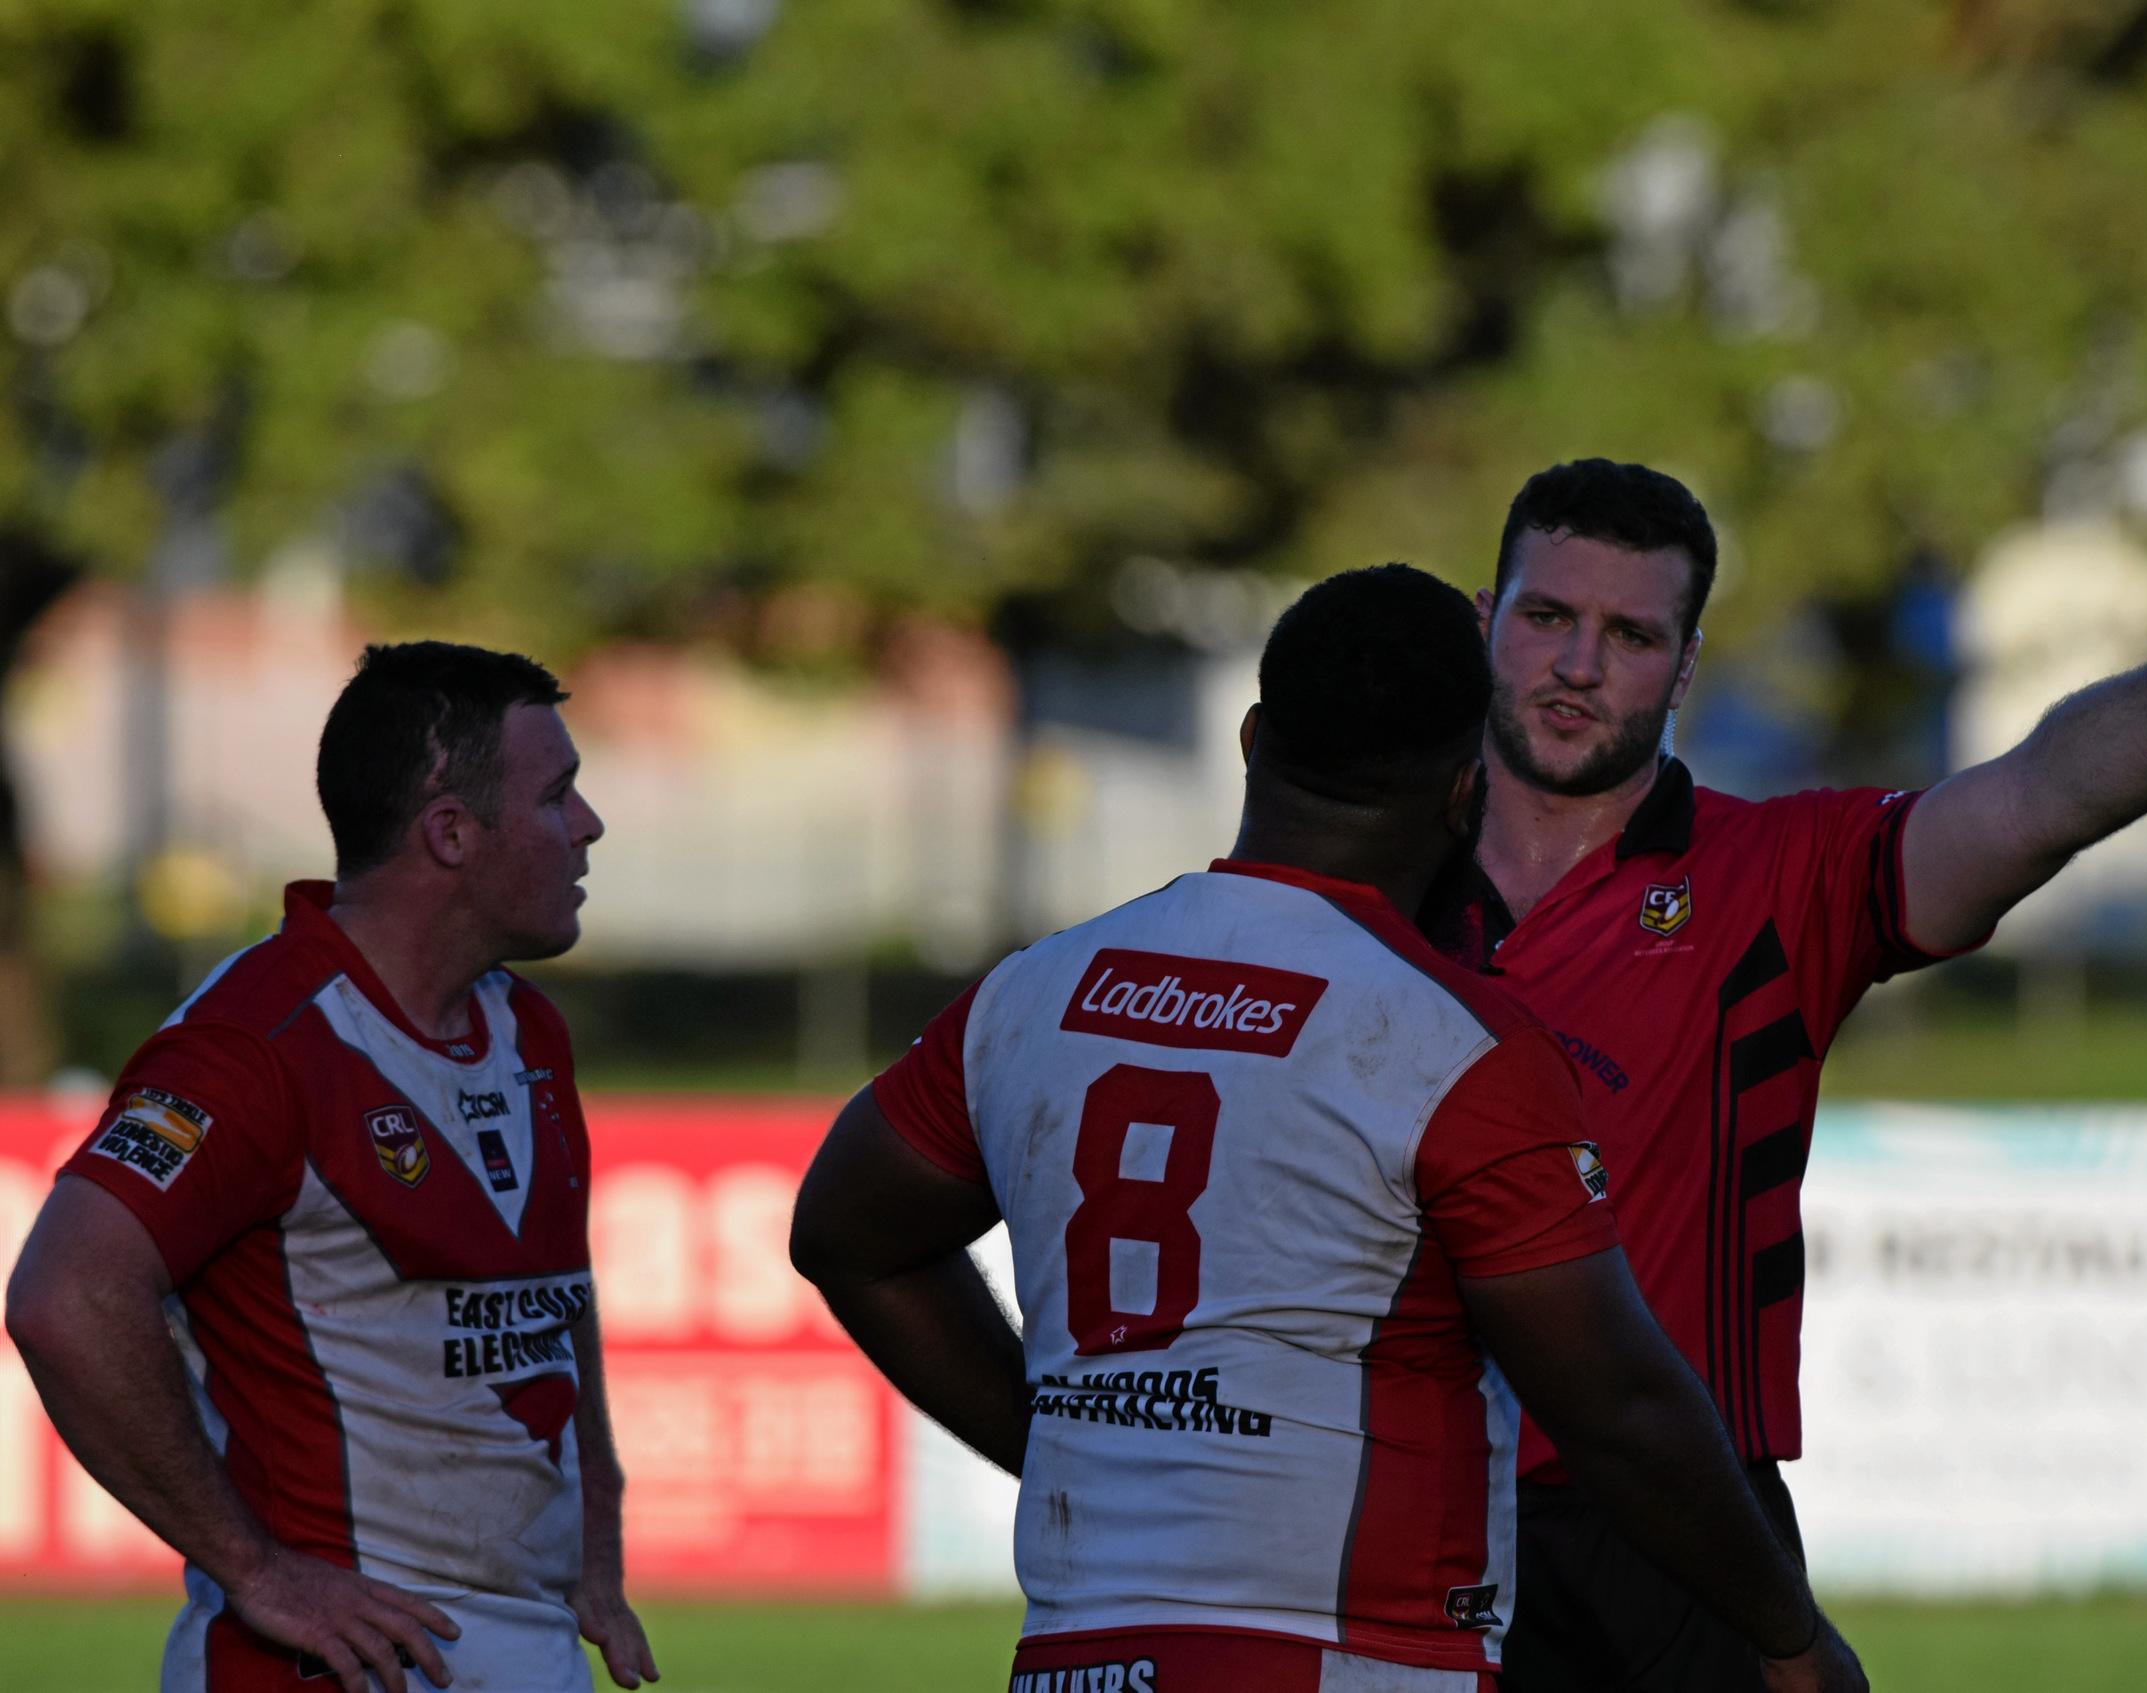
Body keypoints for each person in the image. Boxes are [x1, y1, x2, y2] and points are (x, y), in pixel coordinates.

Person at [790, 564, 1866, 1693]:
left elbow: (847, 1233)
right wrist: (1790, 1637)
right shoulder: (1453, 1042)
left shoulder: (1035, 991)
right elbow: (1618, 1405)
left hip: (1076, 1656)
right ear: (1467, 789)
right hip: (1351, 1655)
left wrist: (1069, 1449)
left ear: (1254, 739)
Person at [1423, 457, 2147, 1691]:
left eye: (1632, 634)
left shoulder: (1773, 878)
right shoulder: (1375, 883)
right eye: (1549, 618)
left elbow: (2037, 799)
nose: (1580, 665)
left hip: (1677, 1535)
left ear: (1687, 665)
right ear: (1489, 624)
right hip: (1400, 1506)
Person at [5, 642, 655, 1693]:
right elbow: (63, 1295)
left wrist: (594, 1549)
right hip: (340, 1658)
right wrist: (257, 1570)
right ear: (450, 831)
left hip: (527, 1649)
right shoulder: (253, 1046)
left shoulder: (529, 1029)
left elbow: (552, 1304)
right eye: (558, 793)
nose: (589, 825)